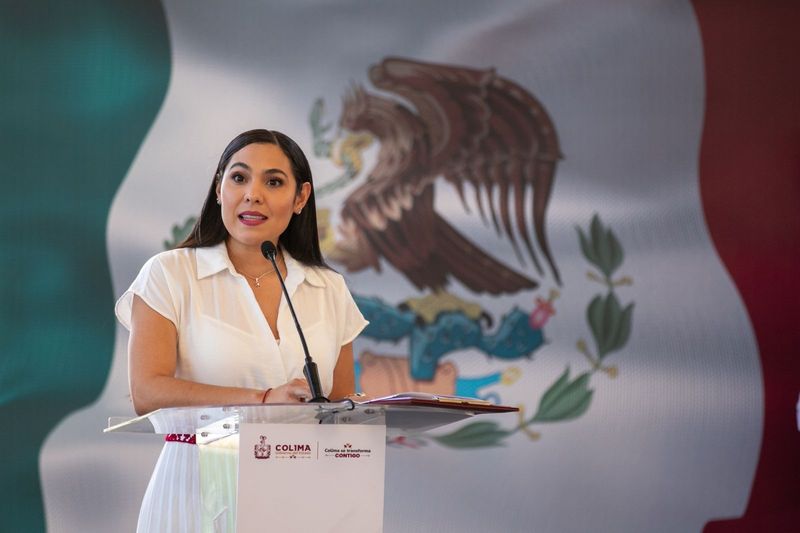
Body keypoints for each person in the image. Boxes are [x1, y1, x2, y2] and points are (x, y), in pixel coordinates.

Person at [115, 129, 368, 532]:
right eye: (238, 178)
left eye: (273, 182)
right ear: (218, 189)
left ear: (300, 198)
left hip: (300, 502)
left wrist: (367, 410)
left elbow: (339, 405)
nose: (253, 194)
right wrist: (264, 400)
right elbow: (147, 393)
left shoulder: (329, 288)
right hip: (194, 494)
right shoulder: (170, 273)